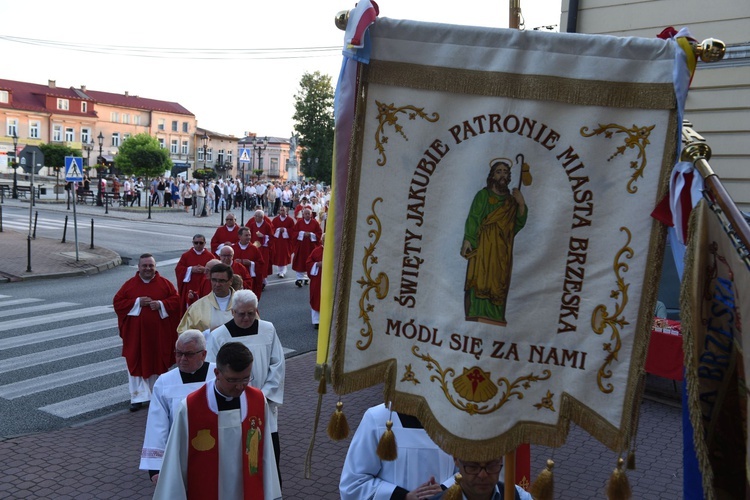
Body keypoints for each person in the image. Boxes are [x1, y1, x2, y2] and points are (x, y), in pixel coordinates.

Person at [153, 342, 282, 500]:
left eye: (246, 378)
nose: (240, 387)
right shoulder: (191, 407)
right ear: (217, 373)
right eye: (232, 380)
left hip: (248, 490)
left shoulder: (257, 400)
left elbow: (266, 455)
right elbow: (175, 461)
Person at [206, 290, 285, 485]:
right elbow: (212, 371)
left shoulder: (268, 329)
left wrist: (261, 395)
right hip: (231, 406)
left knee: (269, 456)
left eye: (251, 313)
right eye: (241, 313)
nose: (246, 318)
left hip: (263, 402)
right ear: (232, 312)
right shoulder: (219, 336)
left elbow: (278, 364)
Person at [139, 330, 217, 484]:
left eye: (188, 354)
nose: (182, 359)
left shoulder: (217, 376)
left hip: (215, 452)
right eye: (178, 353)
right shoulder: (165, 382)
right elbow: (157, 425)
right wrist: (156, 468)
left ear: (203, 354)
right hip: (180, 453)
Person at [339, 403, 456, 500]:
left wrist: (445, 491)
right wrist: (402, 496)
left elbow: (468, 471)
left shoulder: (455, 419)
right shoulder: (378, 418)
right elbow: (353, 484)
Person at [461, 159, 527, 327]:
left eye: (505, 172)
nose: (502, 175)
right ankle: (476, 312)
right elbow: (474, 218)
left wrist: (520, 204)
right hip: (483, 247)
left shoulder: (511, 202)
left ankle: (495, 316)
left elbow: (516, 226)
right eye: (499, 171)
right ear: (492, 175)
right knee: (480, 278)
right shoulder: (483, 195)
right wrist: (468, 239)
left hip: (502, 251)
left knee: (498, 282)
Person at [113, 254, 181, 412]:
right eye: (145, 266)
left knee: (157, 362)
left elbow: (176, 301)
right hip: (136, 335)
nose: (148, 269)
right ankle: (137, 397)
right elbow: (118, 302)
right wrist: (137, 302)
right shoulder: (130, 285)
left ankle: (155, 395)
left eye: (151, 265)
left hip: (158, 335)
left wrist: (161, 304)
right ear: (139, 267)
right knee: (135, 361)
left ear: (155, 267)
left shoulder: (165, 284)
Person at [177, 263, 236, 340]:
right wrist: (208, 333)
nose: (217, 284)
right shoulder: (197, 307)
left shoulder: (244, 304)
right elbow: (184, 335)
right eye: (214, 280)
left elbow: (255, 329)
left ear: (230, 281)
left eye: (222, 281)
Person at [429, 457, 532, 500]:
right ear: (456, 460)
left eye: (491, 465)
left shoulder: (517, 495)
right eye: (473, 467)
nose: (483, 475)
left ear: (501, 460)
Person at [174, 234, 216, 316]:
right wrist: (190, 269)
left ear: (204, 243)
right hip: (190, 287)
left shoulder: (210, 256)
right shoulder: (186, 256)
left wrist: (205, 270)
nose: (198, 245)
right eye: (196, 243)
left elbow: (216, 270)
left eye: (201, 243)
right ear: (193, 243)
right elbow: (178, 269)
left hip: (205, 287)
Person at [292, 207, 322, 287]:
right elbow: (294, 232)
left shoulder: (315, 223)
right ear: (303, 215)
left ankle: (306, 278)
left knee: (310, 261)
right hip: (301, 246)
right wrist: (302, 233)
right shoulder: (299, 223)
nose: (307, 215)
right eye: (306, 214)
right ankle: (299, 279)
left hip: (311, 247)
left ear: (311, 214)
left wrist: (311, 234)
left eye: (309, 213)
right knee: (300, 261)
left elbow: (319, 233)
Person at [233, 226, 266, 300]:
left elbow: (261, 264)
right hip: (236, 280)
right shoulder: (234, 248)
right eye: (246, 235)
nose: (248, 237)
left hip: (250, 280)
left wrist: (251, 263)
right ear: (239, 236)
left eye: (249, 235)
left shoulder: (254, 249)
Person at [306, 234, 324, 329]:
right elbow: (308, 263)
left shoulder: (334, 251)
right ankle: (316, 320)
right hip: (318, 279)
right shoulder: (316, 251)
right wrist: (317, 264)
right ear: (322, 241)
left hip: (328, 279)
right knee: (316, 297)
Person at [271, 206, 295, 279]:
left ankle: (283, 271)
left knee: (284, 255)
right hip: (277, 241)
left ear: (286, 211)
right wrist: (278, 229)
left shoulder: (290, 220)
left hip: (286, 241)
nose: (282, 212)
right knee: (278, 255)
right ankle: (280, 271)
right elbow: (272, 229)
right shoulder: (275, 220)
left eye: (283, 210)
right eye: (281, 210)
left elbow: (293, 230)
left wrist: (285, 230)